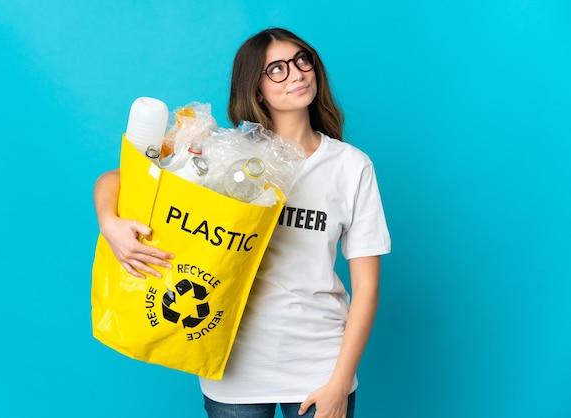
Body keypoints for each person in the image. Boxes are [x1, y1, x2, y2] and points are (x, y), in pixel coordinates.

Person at [94, 27, 391, 418]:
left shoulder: (351, 166)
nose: (297, 73)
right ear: (255, 88)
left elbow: (367, 287)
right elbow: (119, 177)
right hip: (232, 361)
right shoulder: (227, 156)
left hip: (320, 362)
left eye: (303, 60)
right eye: (277, 70)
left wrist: (340, 382)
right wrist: (108, 222)